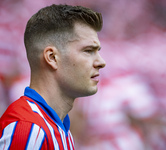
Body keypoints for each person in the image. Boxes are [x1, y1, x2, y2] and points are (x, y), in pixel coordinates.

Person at [0, 4, 106, 150]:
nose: (101, 62)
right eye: (88, 51)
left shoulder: (61, 131)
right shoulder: (29, 129)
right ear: (52, 58)